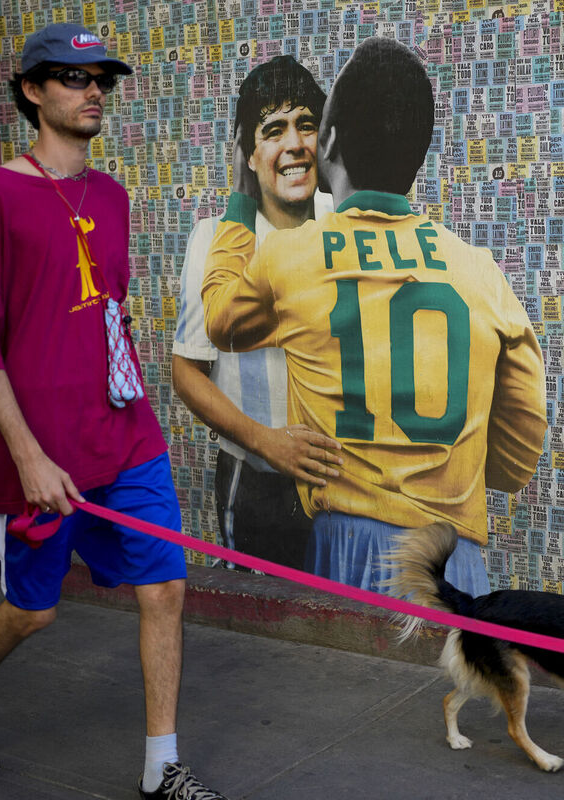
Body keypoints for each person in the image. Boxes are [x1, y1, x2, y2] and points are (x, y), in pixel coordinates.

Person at [0, 23, 224, 800]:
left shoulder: (113, 196)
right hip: (45, 447)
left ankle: (162, 767)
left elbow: (107, 316)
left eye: (101, 78)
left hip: (124, 435)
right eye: (70, 76)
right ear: (31, 91)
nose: (92, 89)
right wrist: (26, 454)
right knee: (33, 612)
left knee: (164, 587)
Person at [202, 36, 547, 595]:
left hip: (345, 545)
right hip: (453, 557)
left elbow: (221, 319)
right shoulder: (482, 273)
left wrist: (242, 198)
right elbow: (517, 455)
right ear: (418, 152)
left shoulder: (290, 257)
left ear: (329, 142)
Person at [172, 55, 342, 570]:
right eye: (273, 130)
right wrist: (268, 444)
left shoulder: (347, 224)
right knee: (263, 626)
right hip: (255, 485)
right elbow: (186, 372)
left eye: (306, 125)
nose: (294, 144)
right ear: (249, 153)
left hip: (345, 483)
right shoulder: (217, 238)